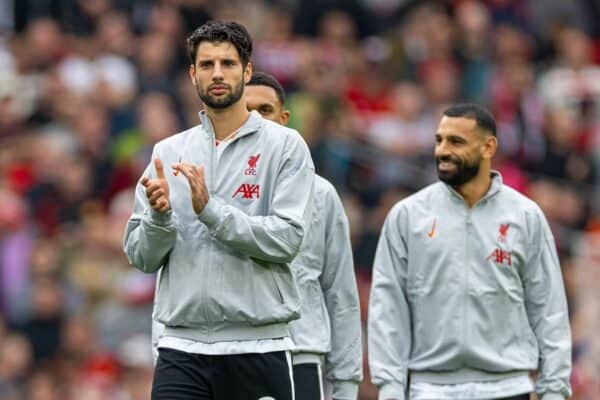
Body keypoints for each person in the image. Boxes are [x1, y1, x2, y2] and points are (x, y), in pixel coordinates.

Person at [124, 21, 315, 400]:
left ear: (246, 71)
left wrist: (211, 211)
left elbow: (287, 240)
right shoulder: (167, 152)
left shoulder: (286, 147)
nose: (217, 73)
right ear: (193, 74)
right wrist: (159, 219)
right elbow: (141, 257)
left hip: (258, 346)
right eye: (207, 64)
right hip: (183, 347)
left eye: (227, 64)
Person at [368, 103, 571, 400]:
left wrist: (554, 390)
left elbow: (549, 308)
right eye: (439, 140)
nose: (442, 151)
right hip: (431, 389)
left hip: (509, 387)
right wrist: (390, 389)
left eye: (456, 141)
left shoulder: (525, 216)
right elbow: (387, 308)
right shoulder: (408, 216)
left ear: (488, 147)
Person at [245, 71, 363, 400]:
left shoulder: (321, 195)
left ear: (284, 118)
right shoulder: (211, 191)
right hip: (231, 355)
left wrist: (347, 384)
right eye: (246, 110)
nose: (256, 120)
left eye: (265, 110)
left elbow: (340, 294)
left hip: (300, 355)